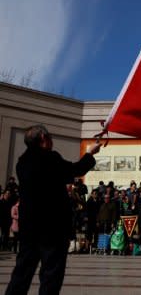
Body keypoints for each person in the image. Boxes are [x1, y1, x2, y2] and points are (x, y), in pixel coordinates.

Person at [6, 124, 101, 295]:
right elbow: (75, 170)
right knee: (51, 274)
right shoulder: (50, 158)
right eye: (50, 136)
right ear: (43, 138)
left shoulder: (22, 162)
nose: (52, 140)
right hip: (52, 228)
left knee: (22, 273)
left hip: (29, 228)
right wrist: (90, 153)